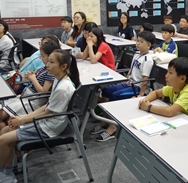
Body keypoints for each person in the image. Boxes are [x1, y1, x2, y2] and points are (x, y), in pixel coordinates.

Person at [0, 49, 80, 183]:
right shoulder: (58, 79)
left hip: (49, 127)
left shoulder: (63, 87)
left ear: (63, 66)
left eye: (51, 62)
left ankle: (5, 175)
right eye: (48, 61)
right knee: (5, 130)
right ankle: (7, 173)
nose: (47, 65)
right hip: (46, 120)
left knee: (2, 139)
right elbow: (47, 106)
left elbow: (48, 113)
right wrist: (22, 119)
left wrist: (23, 120)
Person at [93, 31, 155, 141]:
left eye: (141, 42)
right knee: (106, 91)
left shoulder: (148, 60)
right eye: (137, 41)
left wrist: (141, 95)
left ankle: (113, 127)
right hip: (129, 83)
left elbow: (145, 80)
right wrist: (126, 80)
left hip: (137, 88)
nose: (137, 43)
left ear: (149, 45)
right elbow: (131, 70)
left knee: (115, 96)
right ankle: (104, 121)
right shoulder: (136, 54)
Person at [0, 41, 60, 129]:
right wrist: (32, 75)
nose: (41, 58)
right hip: (26, 96)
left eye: (43, 56)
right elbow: (36, 76)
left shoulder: (50, 72)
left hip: (32, 101)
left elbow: (43, 92)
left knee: (1, 115)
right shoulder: (44, 67)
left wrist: (33, 79)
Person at [138, 57, 188, 124]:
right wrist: (144, 101)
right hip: (181, 120)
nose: (166, 75)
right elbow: (156, 93)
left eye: (170, 73)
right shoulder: (172, 87)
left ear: (182, 79)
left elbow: (170, 111)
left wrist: (148, 107)